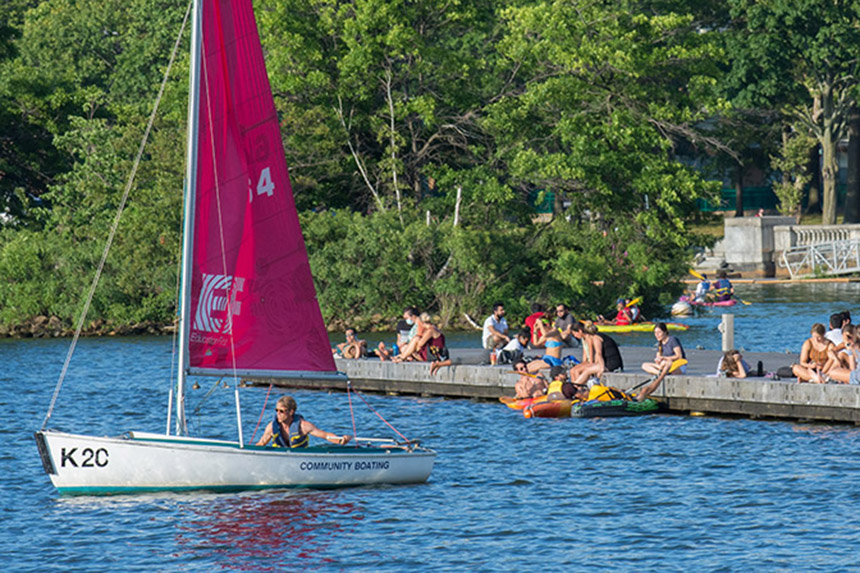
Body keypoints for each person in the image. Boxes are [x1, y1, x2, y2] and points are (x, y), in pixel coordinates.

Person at [256, 396, 351, 447]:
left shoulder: (303, 426)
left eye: (282, 411)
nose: (278, 414)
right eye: (276, 410)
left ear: (291, 411)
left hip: (299, 460)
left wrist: (340, 440)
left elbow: (325, 435)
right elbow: (261, 444)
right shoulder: (272, 427)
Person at [639, 322, 686, 400]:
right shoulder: (659, 343)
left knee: (665, 363)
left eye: (659, 332)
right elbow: (658, 356)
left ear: (665, 332)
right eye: (655, 333)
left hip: (677, 365)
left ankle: (661, 373)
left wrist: (664, 358)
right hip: (664, 367)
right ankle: (660, 373)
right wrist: (658, 360)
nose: (657, 335)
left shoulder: (672, 340)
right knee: (644, 365)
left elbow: (679, 356)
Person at [568, 321, 624, 386]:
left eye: (575, 334)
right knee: (578, 370)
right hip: (607, 362)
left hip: (612, 364)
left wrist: (601, 368)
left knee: (587, 371)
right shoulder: (597, 336)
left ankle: (575, 387)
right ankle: (575, 387)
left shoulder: (596, 338)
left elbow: (598, 353)